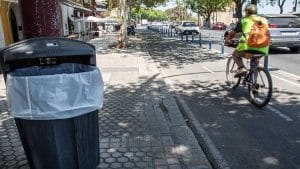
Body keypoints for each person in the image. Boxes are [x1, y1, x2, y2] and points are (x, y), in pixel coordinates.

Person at [225, 4, 269, 77]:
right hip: (264, 48)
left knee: (235, 54)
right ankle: (253, 82)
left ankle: (242, 68)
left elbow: (233, 33)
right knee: (254, 62)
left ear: (247, 12)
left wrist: (227, 39)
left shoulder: (244, 20)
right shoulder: (264, 20)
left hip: (248, 47)